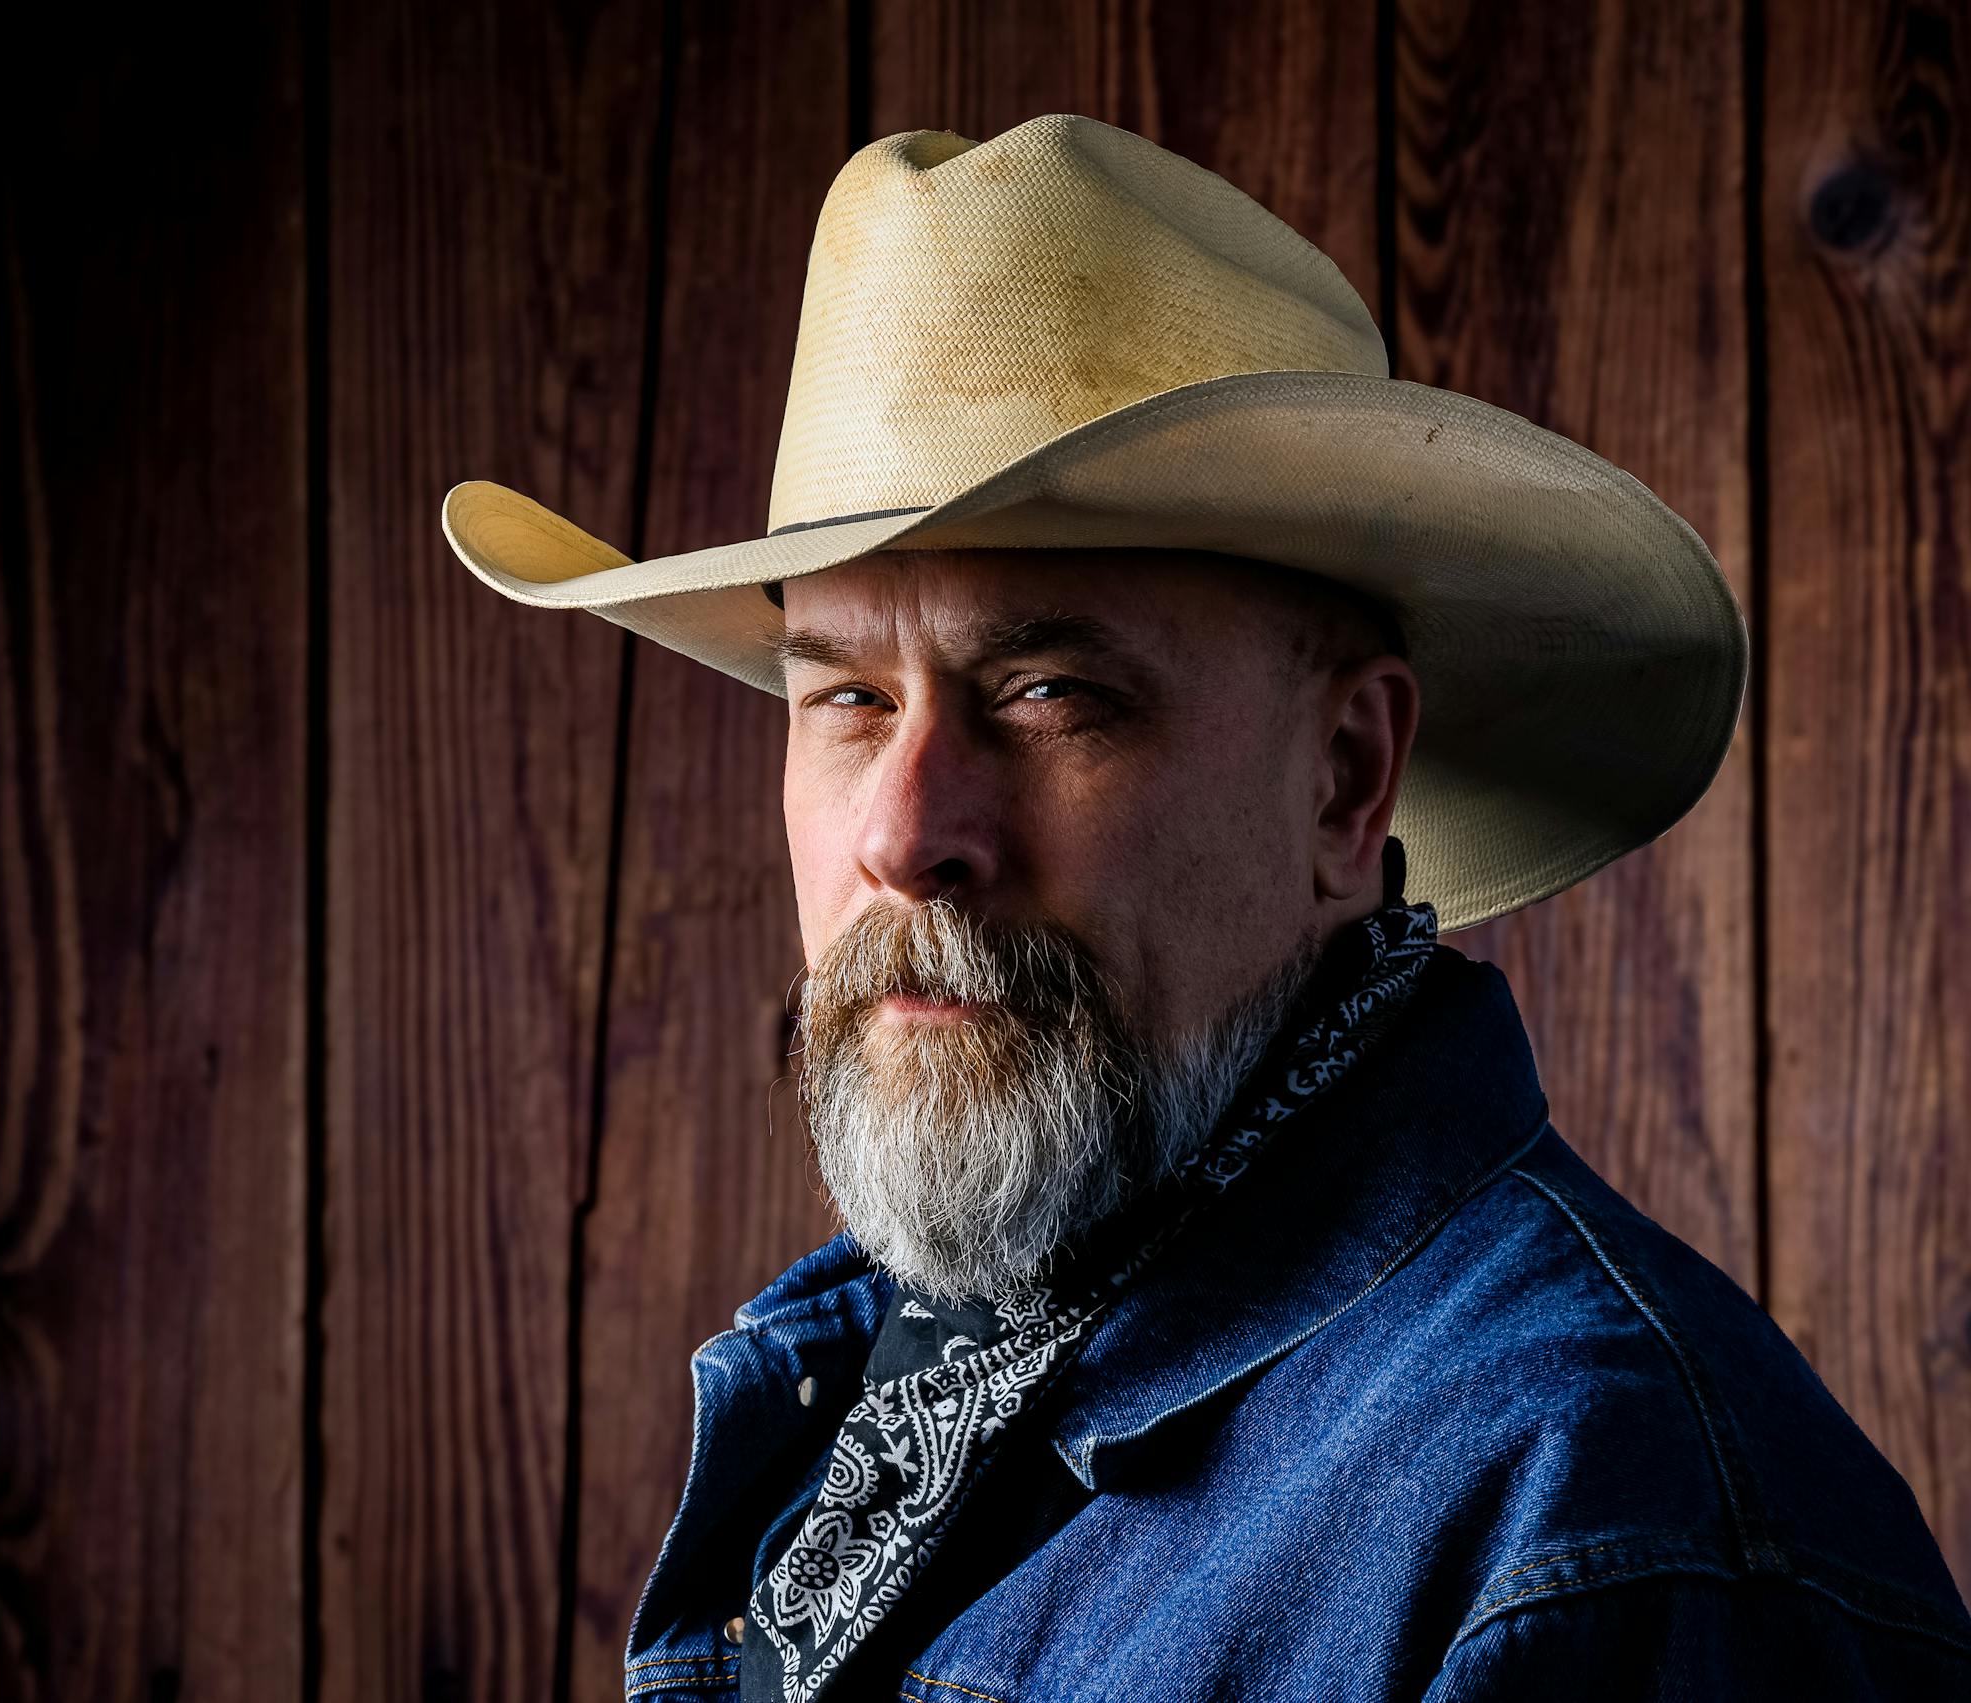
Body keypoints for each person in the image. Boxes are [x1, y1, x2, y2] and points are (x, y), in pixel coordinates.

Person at [442, 114, 1971, 1699]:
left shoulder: (1598, 1510)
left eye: (1048, 692)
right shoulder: (893, 1393)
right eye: (842, 698)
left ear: (1342, 779)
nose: (903, 834)